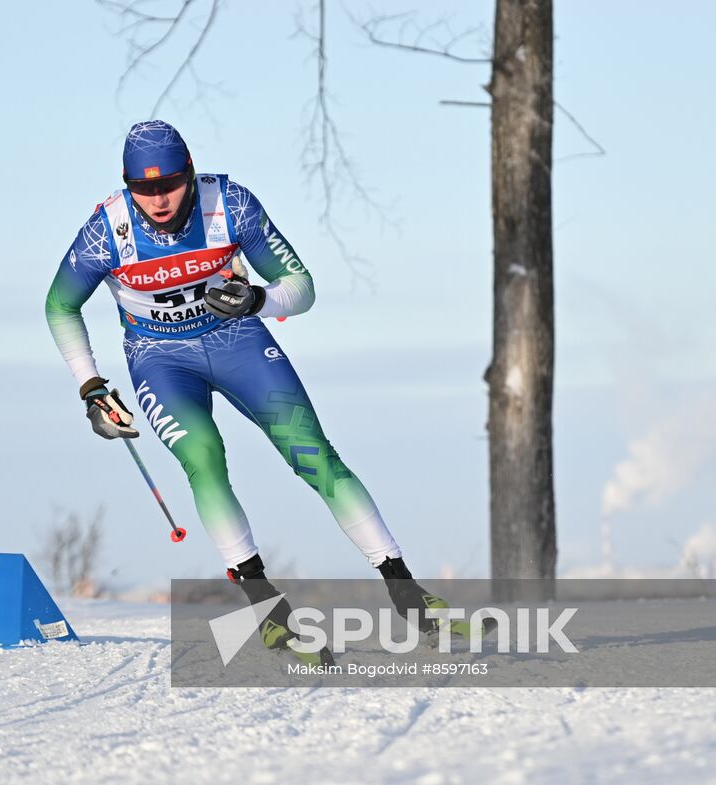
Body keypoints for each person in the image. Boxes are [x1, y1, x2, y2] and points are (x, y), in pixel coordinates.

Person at [44, 120, 470, 664]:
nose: (157, 199)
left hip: (238, 341)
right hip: (160, 359)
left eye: (168, 184)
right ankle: (266, 610)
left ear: (190, 172)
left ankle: (407, 593)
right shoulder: (108, 229)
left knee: (313, 455)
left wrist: (257, 301)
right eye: (142, 188)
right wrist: (91, 386)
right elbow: (60, 305)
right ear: (126, 185)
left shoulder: (231, 204)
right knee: (203, 457)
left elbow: (303, 287)